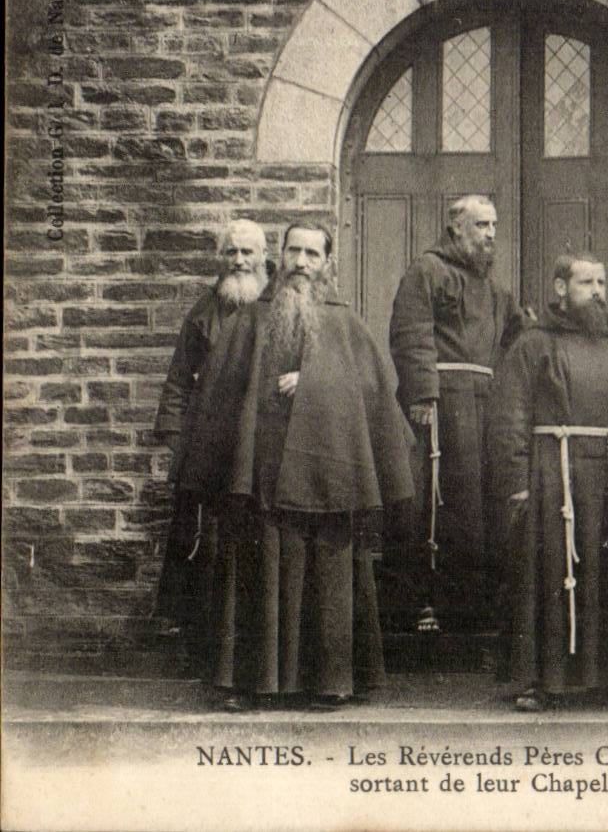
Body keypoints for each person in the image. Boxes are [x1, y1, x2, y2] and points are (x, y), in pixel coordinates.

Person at [175, 222, 414, 710]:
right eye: (294, 252)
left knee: (327, 571)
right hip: (261, 471)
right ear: (279, 257)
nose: (302, 262)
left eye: (312, 253)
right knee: (258, 568)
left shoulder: (345, 323)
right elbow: (220, 393)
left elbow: (371, 394)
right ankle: (253, 684)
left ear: (328, 262)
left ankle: (329, 683)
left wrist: (314, 382)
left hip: (329, 474)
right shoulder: (251, 320)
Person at [489, 253, 608, 711]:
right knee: (546, 574)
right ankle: (540, 681)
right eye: (587, 282)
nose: (598, 291)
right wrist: (517, 482)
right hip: (552, 476)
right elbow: (509, 416)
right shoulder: (533, 346)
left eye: (602, 281)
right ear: (561, 289)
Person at [389, 193, 528, 631]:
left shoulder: (495, 288)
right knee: (443, 498)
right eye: (481, 225)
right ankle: (431, 598)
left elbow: (515, 340)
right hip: (444, 403)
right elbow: (411, 333)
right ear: (455, 230)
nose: (490, 235)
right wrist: (422, 395)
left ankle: (476, 602)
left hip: (487, 403)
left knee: (484, 498)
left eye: (493, 226)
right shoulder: (427, 271)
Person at [152, 218, 272, 663]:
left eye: (248, 252)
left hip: (265, 439)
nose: (239, 261)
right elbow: (179, 378)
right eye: (231, 252)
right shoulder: (203, 314)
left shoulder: (280, 304)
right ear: (220, 258)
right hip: (214, 437)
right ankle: (205, 642)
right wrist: (173, 436)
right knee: (206, 536)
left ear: (265, 256)